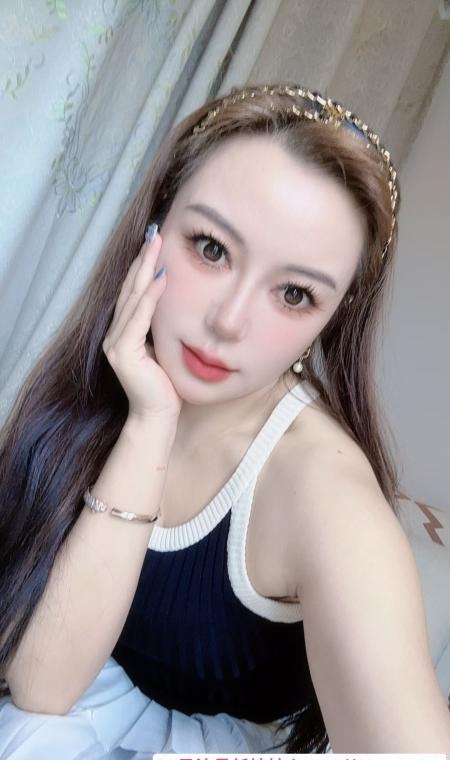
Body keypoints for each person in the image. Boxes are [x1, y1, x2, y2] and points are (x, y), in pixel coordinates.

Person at [0, 82, 449, 759]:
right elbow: (43, 686)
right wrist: (150, 421)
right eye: (211, 248)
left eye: (294, 293)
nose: (228, 321)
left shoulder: (327, 496)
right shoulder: (109, 379)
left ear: (332, 319)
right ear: (154, 229)